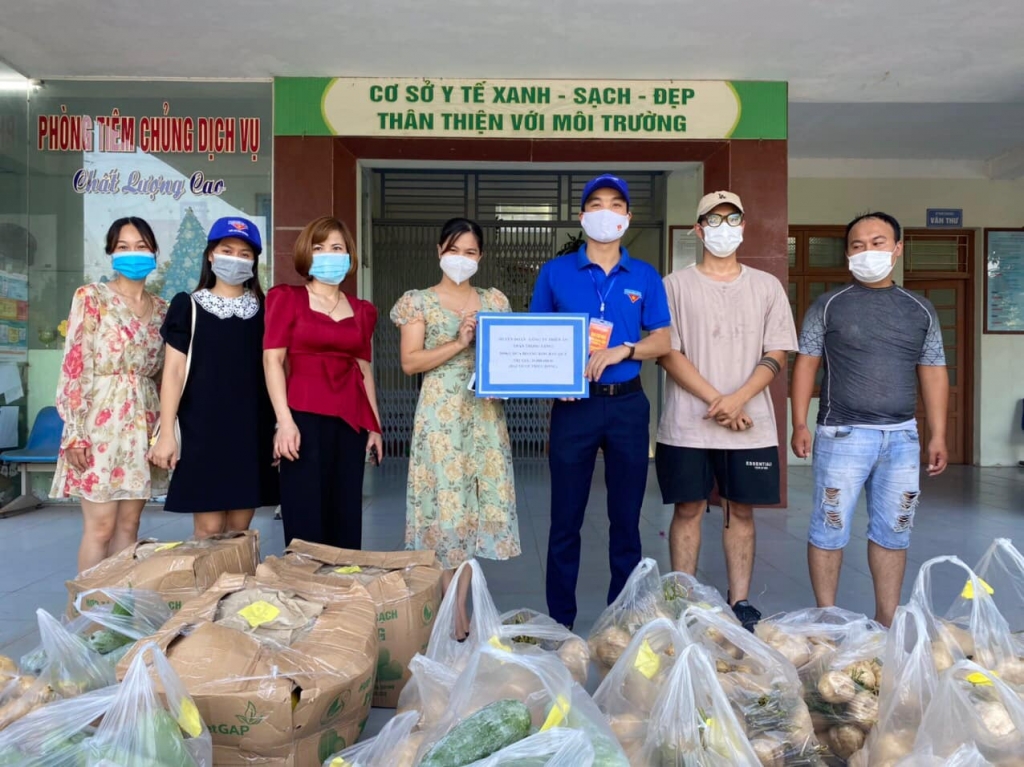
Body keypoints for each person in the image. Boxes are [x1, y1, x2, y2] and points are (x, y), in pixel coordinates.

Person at [792, 211, 948, 627]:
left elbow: (933, 371)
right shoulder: (828, 306)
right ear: (847, 253)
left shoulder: (921, 310)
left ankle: (886, 622)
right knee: (830, 527)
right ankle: (827, 618)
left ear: (897, 249)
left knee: (894, 531)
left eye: (878, 243)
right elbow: (805, 365)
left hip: (901, 438)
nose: (867, 252)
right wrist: (800, 423)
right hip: (842, 434)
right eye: (858, 245)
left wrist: (938, 434)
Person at [530, 174, 671, 630]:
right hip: (575, 408)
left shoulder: (645, 276)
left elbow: (663, 340)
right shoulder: (556, 273)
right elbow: (539, 338)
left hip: (628, 406)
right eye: (596, 204)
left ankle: (621, 623)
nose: (605, 212)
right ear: (582, 216)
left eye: (615, 205)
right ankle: (559, 625)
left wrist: (624, 349)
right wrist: (555, 381)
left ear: (626, 218)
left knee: (626, 522)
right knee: (564, 521)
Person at [655, 191, 797, 632]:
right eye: (712, 221)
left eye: (731, 219)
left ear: (743, 226)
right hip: (686, 427)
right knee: (688, 510)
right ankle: (683, 598)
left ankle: (740, 601)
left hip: (749, 427)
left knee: (742, 511)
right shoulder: (673, 285)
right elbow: (667, 352)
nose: (723, 228)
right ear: (698, 231)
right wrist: (722, 401)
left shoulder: (766, 286)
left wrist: (737, 400)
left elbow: (777, 351)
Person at [391, 218, 520, 639]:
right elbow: (411, 362)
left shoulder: (495, 301)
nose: (461, 259)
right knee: (444, 509)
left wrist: (503, 383)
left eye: (470, 252)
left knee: (473, 511)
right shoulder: (418, 302)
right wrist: (460, 343)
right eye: (453, 250)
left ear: (480, 257)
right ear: (438, 251)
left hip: (483, 415)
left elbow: (507, 360)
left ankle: (458, 604)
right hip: (442, 416)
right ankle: (452, 605)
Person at [149, 217, 278, 538]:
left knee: (239, 528)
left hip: (251, 431)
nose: (235, 258)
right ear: (210, 254)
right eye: (227, 250)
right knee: (208, 529)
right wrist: (167, 434)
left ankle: (239, 588)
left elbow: (277, 368)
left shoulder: (266, 309)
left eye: (244, 253)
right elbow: (174, 373)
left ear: (254, 261)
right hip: (201, 432)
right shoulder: (187, 306)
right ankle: (208, 589)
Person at [52, 217, 168, 573]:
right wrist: (74, 431)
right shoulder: (92, 298)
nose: (133, 254)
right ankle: (85, 613)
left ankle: (118, 613)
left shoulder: (163, 309)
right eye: (123, 247)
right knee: (100, 526)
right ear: (110, 253)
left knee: (129, 526)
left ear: (154, 253)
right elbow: (75, 362)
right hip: (98, 421)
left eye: (141, 246)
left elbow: (166, 373)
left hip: (142, 423)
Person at [263, 216, 383, 549]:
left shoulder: (362, 310)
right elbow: (272, 361)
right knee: (304, 517)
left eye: (336, 248)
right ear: (307, 254)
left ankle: (343, 596)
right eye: (319, 247)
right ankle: (304, 594)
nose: (328, 254)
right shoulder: (286, 298)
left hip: (350, 420)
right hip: (301, 417)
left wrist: (375, 427)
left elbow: (364, 369)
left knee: (345, 514)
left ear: (349, 256)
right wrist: (283, 422)